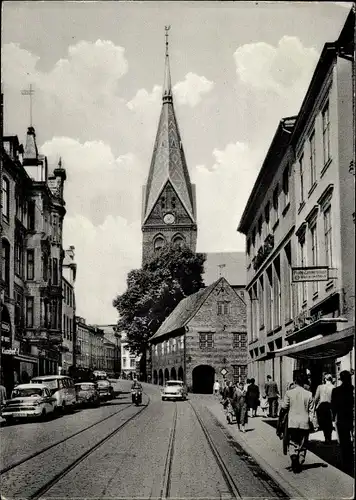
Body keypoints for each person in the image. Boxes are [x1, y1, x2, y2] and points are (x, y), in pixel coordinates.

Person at [281, 373, 314, 473]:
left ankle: (294, 456)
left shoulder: (289, 393)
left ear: (295, 382)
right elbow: (311, 411)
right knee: (303, 443)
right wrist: (311, 422)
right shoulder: (309, 394)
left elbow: (284, 407)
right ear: (304, 382)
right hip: (304, 423)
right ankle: (300, 459)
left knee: (293, 442)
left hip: (292, 422)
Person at [331, 370, 354, 474]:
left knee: (344, 442)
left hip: (341, 419)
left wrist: (333, 418)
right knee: (349, 441)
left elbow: (333, 406)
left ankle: (346, 463)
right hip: (350, 418)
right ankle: (350, 462)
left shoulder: (336, 391)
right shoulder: (352, 390)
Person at [314, 374, 334, 443]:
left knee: (324, 423)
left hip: (321, 407)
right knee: (329, 422)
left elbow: (316, 399)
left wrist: (314, 407)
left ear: (325, 379)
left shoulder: (320, 387)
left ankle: (326, 438)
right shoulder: (334, 387)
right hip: (330, 407)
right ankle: (329, 438)